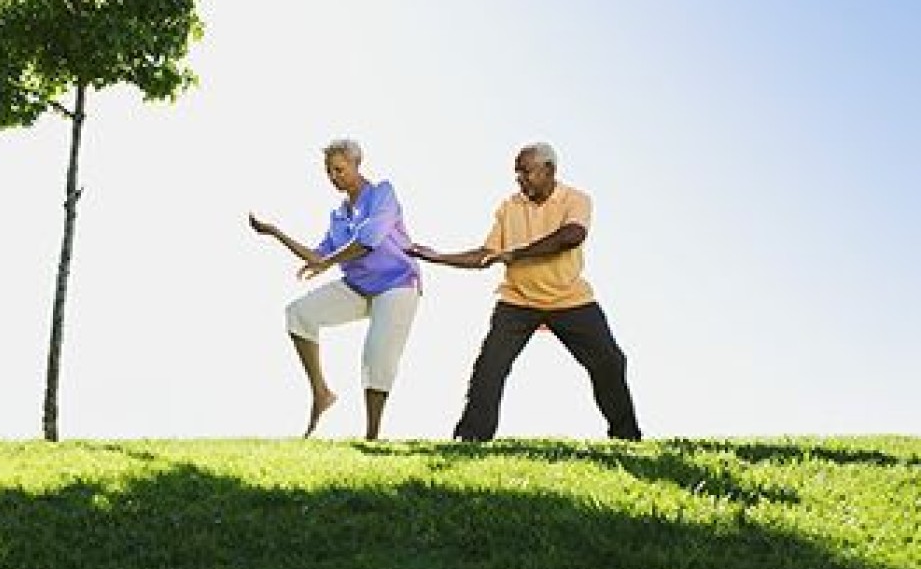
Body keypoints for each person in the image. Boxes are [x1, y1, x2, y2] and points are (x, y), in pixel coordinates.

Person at [408, 142, 642, 442]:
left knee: (610, 361)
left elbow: (571, 236)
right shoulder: (509, 206)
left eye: (526, 172)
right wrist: (437, 256)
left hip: (569, 298)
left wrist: (518, 254)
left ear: (549, 170)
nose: (520, 180)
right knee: (489, 367)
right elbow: (487, 255)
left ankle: (626, 437)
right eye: (517, 174)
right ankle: (470, 438)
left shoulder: (576, 199)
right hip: (517, 301)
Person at [249, 138, 422, 441]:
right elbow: (319, 257)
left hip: (397, 285)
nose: (334, 176)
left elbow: (369, 240)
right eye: (329, 171)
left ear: (357, 163)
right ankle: (321, 392)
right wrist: (275, 233)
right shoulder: (338, 216)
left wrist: (327, 263)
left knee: (376, 356)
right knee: (299, 314)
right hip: (358, 287)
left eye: (340, 169)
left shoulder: (383, 193)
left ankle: (372, 437)